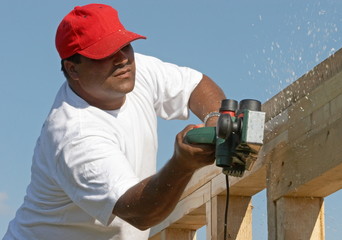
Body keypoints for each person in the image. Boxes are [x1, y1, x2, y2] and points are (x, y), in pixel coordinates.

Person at [3, 3, 225, 240]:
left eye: (124, 46)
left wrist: (217, 119)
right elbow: (139, 213)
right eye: (105, 53)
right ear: (73, 69)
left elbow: (196, 86)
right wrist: (182, 165)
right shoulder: (75, 134)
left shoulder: (132, 70)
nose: (121, 60)